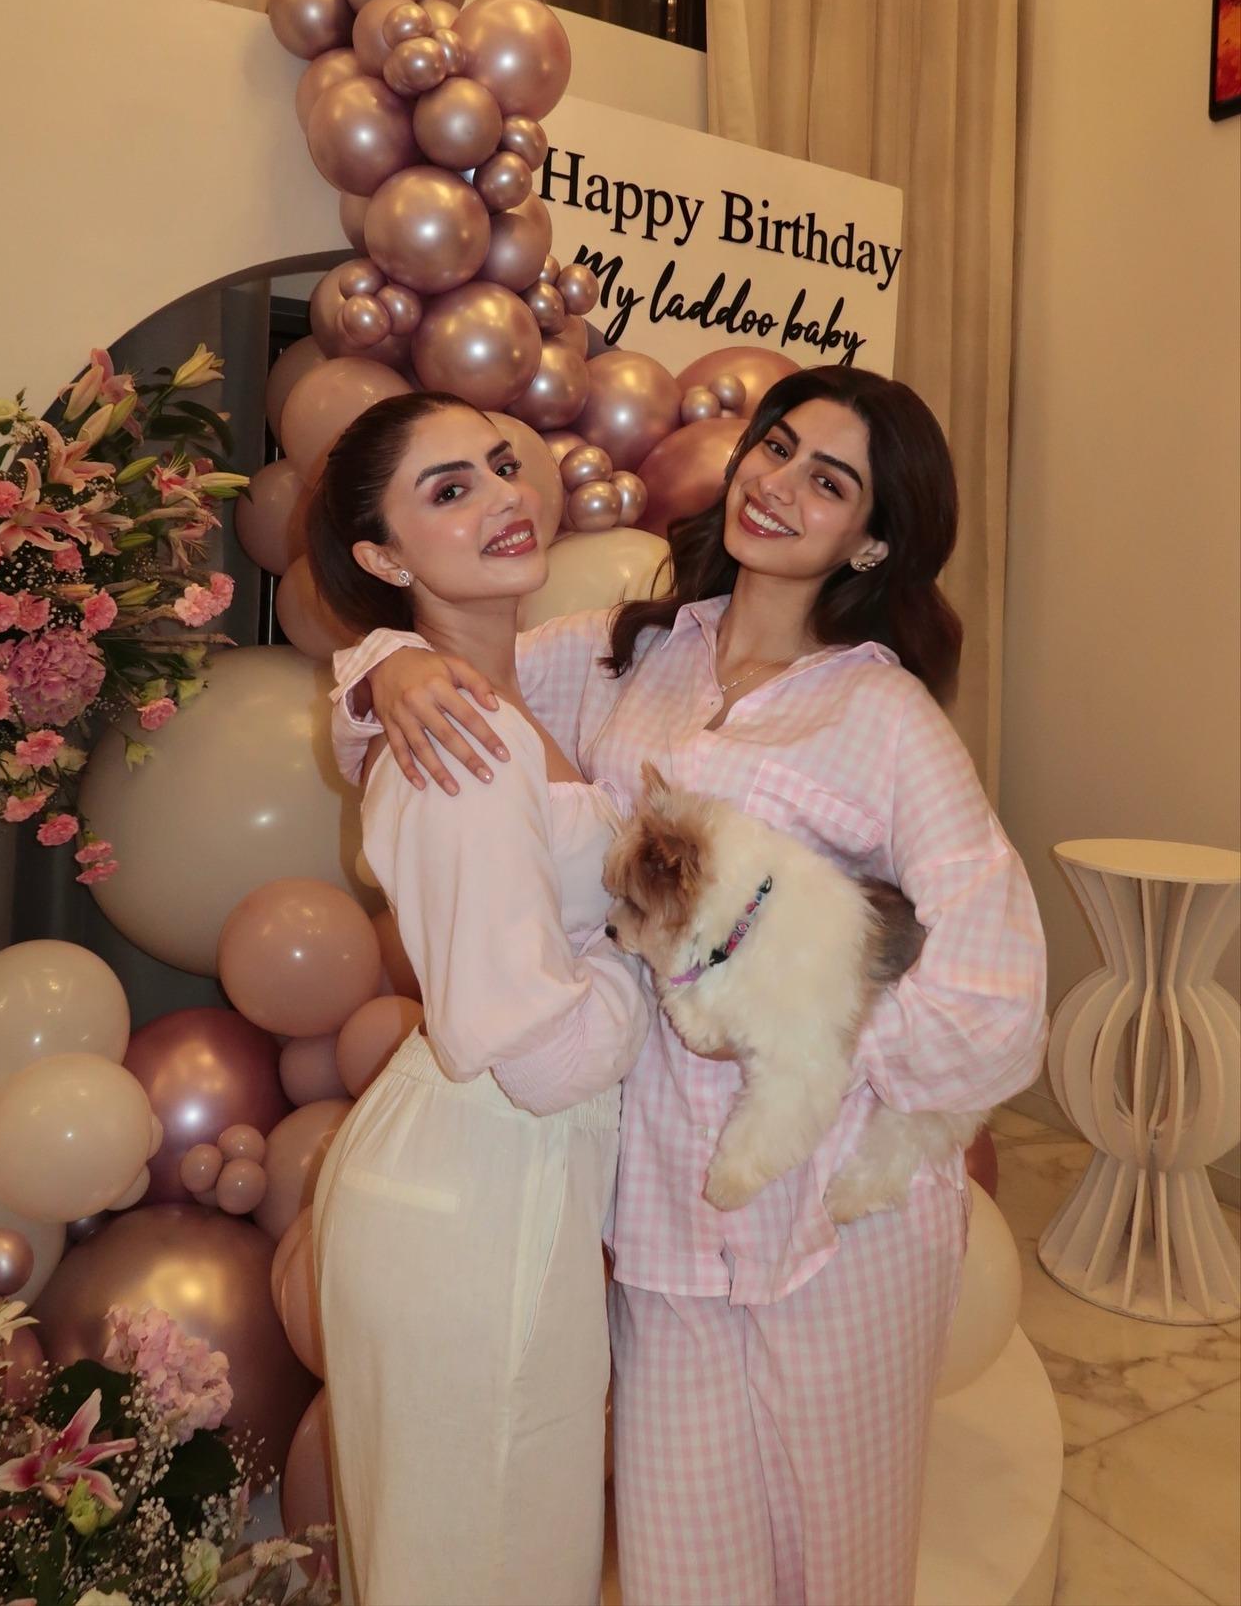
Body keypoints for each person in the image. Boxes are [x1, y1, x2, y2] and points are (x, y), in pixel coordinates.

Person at [334, 365, 1048, 1606]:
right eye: (775, 447)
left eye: (828, 481)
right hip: (660, 1213)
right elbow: (457, 683)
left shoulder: (885, 720)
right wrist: (381, 671)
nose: (777, 483)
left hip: (836, 1218)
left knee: (836, 1564)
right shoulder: (632, 653)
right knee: (681, 1571)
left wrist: (793, 1025)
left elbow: (995, 999)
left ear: (869, 536)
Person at [306, 392, 652, 1606]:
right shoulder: (466, 736)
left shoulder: (495, 696)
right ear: (382, 556)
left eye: (501, 465)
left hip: (501, 1184)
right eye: (447, 489)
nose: (503, 495)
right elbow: (535, 1052)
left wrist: (378, 663)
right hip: (474, 1192)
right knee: (484, 1560)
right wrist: (645, 956)